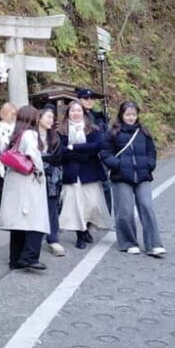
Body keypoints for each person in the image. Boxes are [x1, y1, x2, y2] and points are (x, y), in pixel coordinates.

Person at [100, 101, 166, 256]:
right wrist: (118, 164)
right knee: (125, 211)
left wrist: (149, 164)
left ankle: (154, 244)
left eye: (134, 114)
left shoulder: (144, 132)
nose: (131, 117)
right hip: (121, 176)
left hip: (142, 175)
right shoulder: (113, 133)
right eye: (128, 114)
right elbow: (105, 153)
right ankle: (128, 242)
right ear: (121, 115)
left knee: (147, 207)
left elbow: (151, 151)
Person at [0, 105, 49, 271]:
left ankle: (15, 259)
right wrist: (40, 174)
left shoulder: (16, 134)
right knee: (36, 220)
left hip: (15, 182)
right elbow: (34, 156)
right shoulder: (30, 134)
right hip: (28, 182)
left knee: (18, 223)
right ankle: (29, 257)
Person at [58, 100, 112, 249]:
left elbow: (97, 145)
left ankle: (87, 227)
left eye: (79, 111)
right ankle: (80, 235)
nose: (76, 113)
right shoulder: (62, 131)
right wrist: (83, 153)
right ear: (68, 113)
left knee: (92, 204)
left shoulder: (92, 129)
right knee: (76, 205)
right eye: (73, 111)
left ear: (83, 113)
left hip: (90, 172)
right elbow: (62, 151)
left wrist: (74, 147)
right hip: (72, 173)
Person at [77, 87, 112, 214]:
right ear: (79, 99)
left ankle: (107, 215)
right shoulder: (75, 115)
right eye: (86, 98)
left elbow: (107, 137)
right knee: (84, 189)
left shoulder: (99, 117)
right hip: (83, 157)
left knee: (105, 186)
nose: (89, 100)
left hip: (100, 157)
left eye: (91, 98)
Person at [38, 104, 65, 256]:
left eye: (52, 117)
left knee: (52, 209)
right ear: (39, 117)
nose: (51, 120)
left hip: (52, 178)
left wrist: (41, 160)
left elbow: (58, 157)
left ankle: (53, 238)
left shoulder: (55, 137)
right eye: (48, 116)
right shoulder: (31, 136)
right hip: (34, 177)